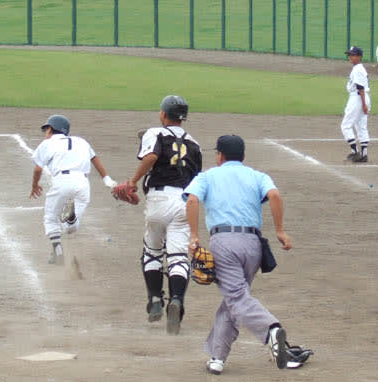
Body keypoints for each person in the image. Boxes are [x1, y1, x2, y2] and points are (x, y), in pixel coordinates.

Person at [183, 135, 298, 374]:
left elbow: (192, 200)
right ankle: (217, 357)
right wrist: (280, 231)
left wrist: (194, 236)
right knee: (233, 298)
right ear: (242, 156)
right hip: (253, 245)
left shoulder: (208, 176)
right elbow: (275, 196)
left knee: (235, 296)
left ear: (220, 156)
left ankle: (272, 330)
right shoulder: (257, 176)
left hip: (223, 243)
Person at [122, 95, 202, 335]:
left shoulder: (155, 133)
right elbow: (197, 179)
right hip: (185, 202)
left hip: (159, 199)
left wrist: (133, 181)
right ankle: (176, 300)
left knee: (152, 251)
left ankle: (155, 299)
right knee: (178, 257)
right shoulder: (195, 144)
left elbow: (151, 157)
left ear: (163, 114)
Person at [30, 115, 117, 265]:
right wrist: (107, 180)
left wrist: (34, 185)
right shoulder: (81, 141)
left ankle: (58, 253)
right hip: (83, 183)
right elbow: (95, 159)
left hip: (62, 182)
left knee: (51, 218)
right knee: (70, 228)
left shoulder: (48, 143)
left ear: (51, 129)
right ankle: (71, 217)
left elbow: (38, 169)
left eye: (46, 129)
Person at [341, 46, 370, 163]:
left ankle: (355, 152)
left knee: (346, 125)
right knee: (361, 126)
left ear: (359, 57)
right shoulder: (360, 68)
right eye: (349, 55)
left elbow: (360, 88)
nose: (350, 57)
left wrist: (363, 104)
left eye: (353, 55)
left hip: (358, 98)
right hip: (363, 98)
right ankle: (364, 154)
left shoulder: (357, 69)